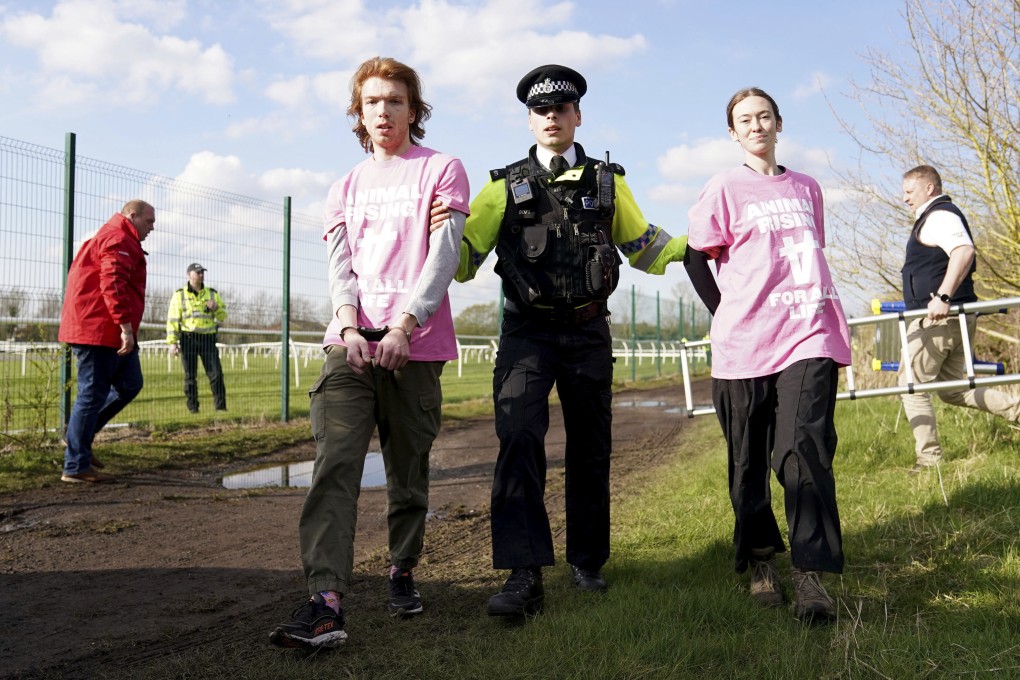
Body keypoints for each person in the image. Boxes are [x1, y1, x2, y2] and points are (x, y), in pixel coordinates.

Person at [453, 64, 687, 617]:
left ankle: (587, 563)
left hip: (587, 331)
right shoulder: (498, 186)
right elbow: (463, 262)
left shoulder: (610, 182)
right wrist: (434, 231)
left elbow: (645, 247)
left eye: (561, 108)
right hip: (526, 333)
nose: (552, 117)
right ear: (530, 121)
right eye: (541, 110)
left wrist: (702, 244)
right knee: (518, 441)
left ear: (578, 116)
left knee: (590, 448)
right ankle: (523, 572)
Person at [269, 56, 470, 650]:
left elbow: (443, 255)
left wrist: (406, 326)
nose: (383, 111)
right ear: (358, 112)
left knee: (408, 469)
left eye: (395, 100)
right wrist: (350, 327)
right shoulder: (343, 188)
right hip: (350, 344)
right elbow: (341, 267)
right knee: (335, 465)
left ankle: (402, 568)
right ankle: (325, 600)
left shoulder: (442, 170)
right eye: (372, 102)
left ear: (414, 109)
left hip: (417, 344)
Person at [683, 87, 851, 623]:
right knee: (746, 464)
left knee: (802, 449)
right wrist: (725, 311)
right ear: (733, 133)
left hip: (809, 332)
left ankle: (811, 575)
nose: (755, 125)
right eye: (743, 120)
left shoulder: (808, 188)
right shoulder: (723, 188)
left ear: (779, 123)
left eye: (763, 116)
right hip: (744, 345)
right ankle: (760, 558)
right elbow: (694, 260)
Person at [898, 164, 1020, 473]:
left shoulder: (939, 215)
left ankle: (929, 461)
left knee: (910, 385)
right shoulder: (935, 216)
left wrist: (942, 297)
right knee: (955, 390)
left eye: (909, 192)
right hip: (953, 317)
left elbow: (964, 251)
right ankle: (1017, 410)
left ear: (929, 188)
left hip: (940, 318)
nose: (905, 199)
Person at [58, 200, 155, 483]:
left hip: (109, 328)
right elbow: (112, 282)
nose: (151, 228)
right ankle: (75, 466)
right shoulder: (118, 238)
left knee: (130, 384)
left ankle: (78, 437)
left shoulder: (116, 237)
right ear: (132, 216)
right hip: (100, 329)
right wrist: (125, 327)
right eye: (149, 222)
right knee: (91, 395)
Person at [165, 262, 227, 413]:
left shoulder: (212, 294)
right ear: (189, 275)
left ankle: (221, 408)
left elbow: (223, 316)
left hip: (208, 340)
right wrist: (172, 343)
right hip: (188, 339)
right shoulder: (179, 295)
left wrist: (216, 308)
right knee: (190, 377)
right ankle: (193, 409)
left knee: (216, 375)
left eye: (202, 272)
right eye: (197, 272)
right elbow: (173, 320)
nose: (201, 275)